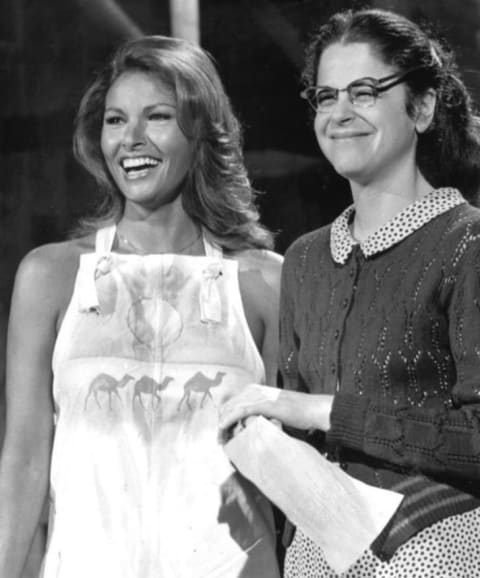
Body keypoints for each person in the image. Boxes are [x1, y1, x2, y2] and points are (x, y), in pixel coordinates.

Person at [0, 35, 283, 578]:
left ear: (201, 130)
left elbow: (290, 459)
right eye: (114, 120)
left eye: (157, 117)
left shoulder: (265, 282)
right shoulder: (50, 276)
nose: (130, 139)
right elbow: (26, 458)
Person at [219, 8, 480, 577]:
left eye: (364, 92)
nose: (339, 113)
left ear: (423, 106)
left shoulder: (468, 243)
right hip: (315, 559)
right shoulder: (307, 260)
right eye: (326, 95)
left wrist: (321, 411)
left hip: (436, 556)